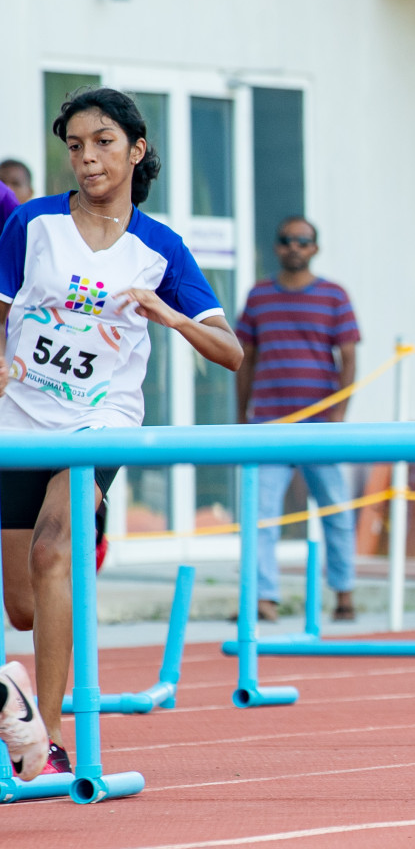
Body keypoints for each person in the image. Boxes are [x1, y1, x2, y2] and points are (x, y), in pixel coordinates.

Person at [0, 87, 242, 776]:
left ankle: (40, 742)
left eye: (103, 142)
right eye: (75, 146)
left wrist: (170, 316)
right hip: (19, 422)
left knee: (53, 552)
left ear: (136, 150)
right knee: (22, 609)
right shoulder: (32, 225)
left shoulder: (159, 247)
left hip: (98, 421)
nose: (87, 158)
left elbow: (231, 352)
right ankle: (87, 536)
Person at [236, 216, 361, 623]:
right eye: (287, 239)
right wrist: (242, 414)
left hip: (320, 425)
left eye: (303, 241)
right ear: (276, 246)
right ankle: (263, 599)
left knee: (336, 511)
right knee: (261, 516)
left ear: (315, 248)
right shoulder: (258, 296)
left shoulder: (334, 296)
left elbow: (349, 356)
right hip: (268, 424)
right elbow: (245, 357)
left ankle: (344, 594)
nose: (294, 246)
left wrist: (339, 412)